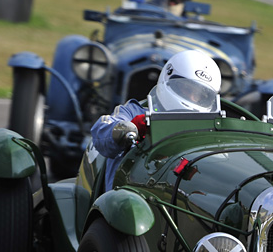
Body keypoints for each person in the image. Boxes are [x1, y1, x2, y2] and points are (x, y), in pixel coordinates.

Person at [90, 49, 222, 190]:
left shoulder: (210, 128)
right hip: (125, 198)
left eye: (200, 95)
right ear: (169, 79)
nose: (193, 98)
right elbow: (101, 132)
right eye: (186, 89)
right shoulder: (134, 112)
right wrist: (129, 128)